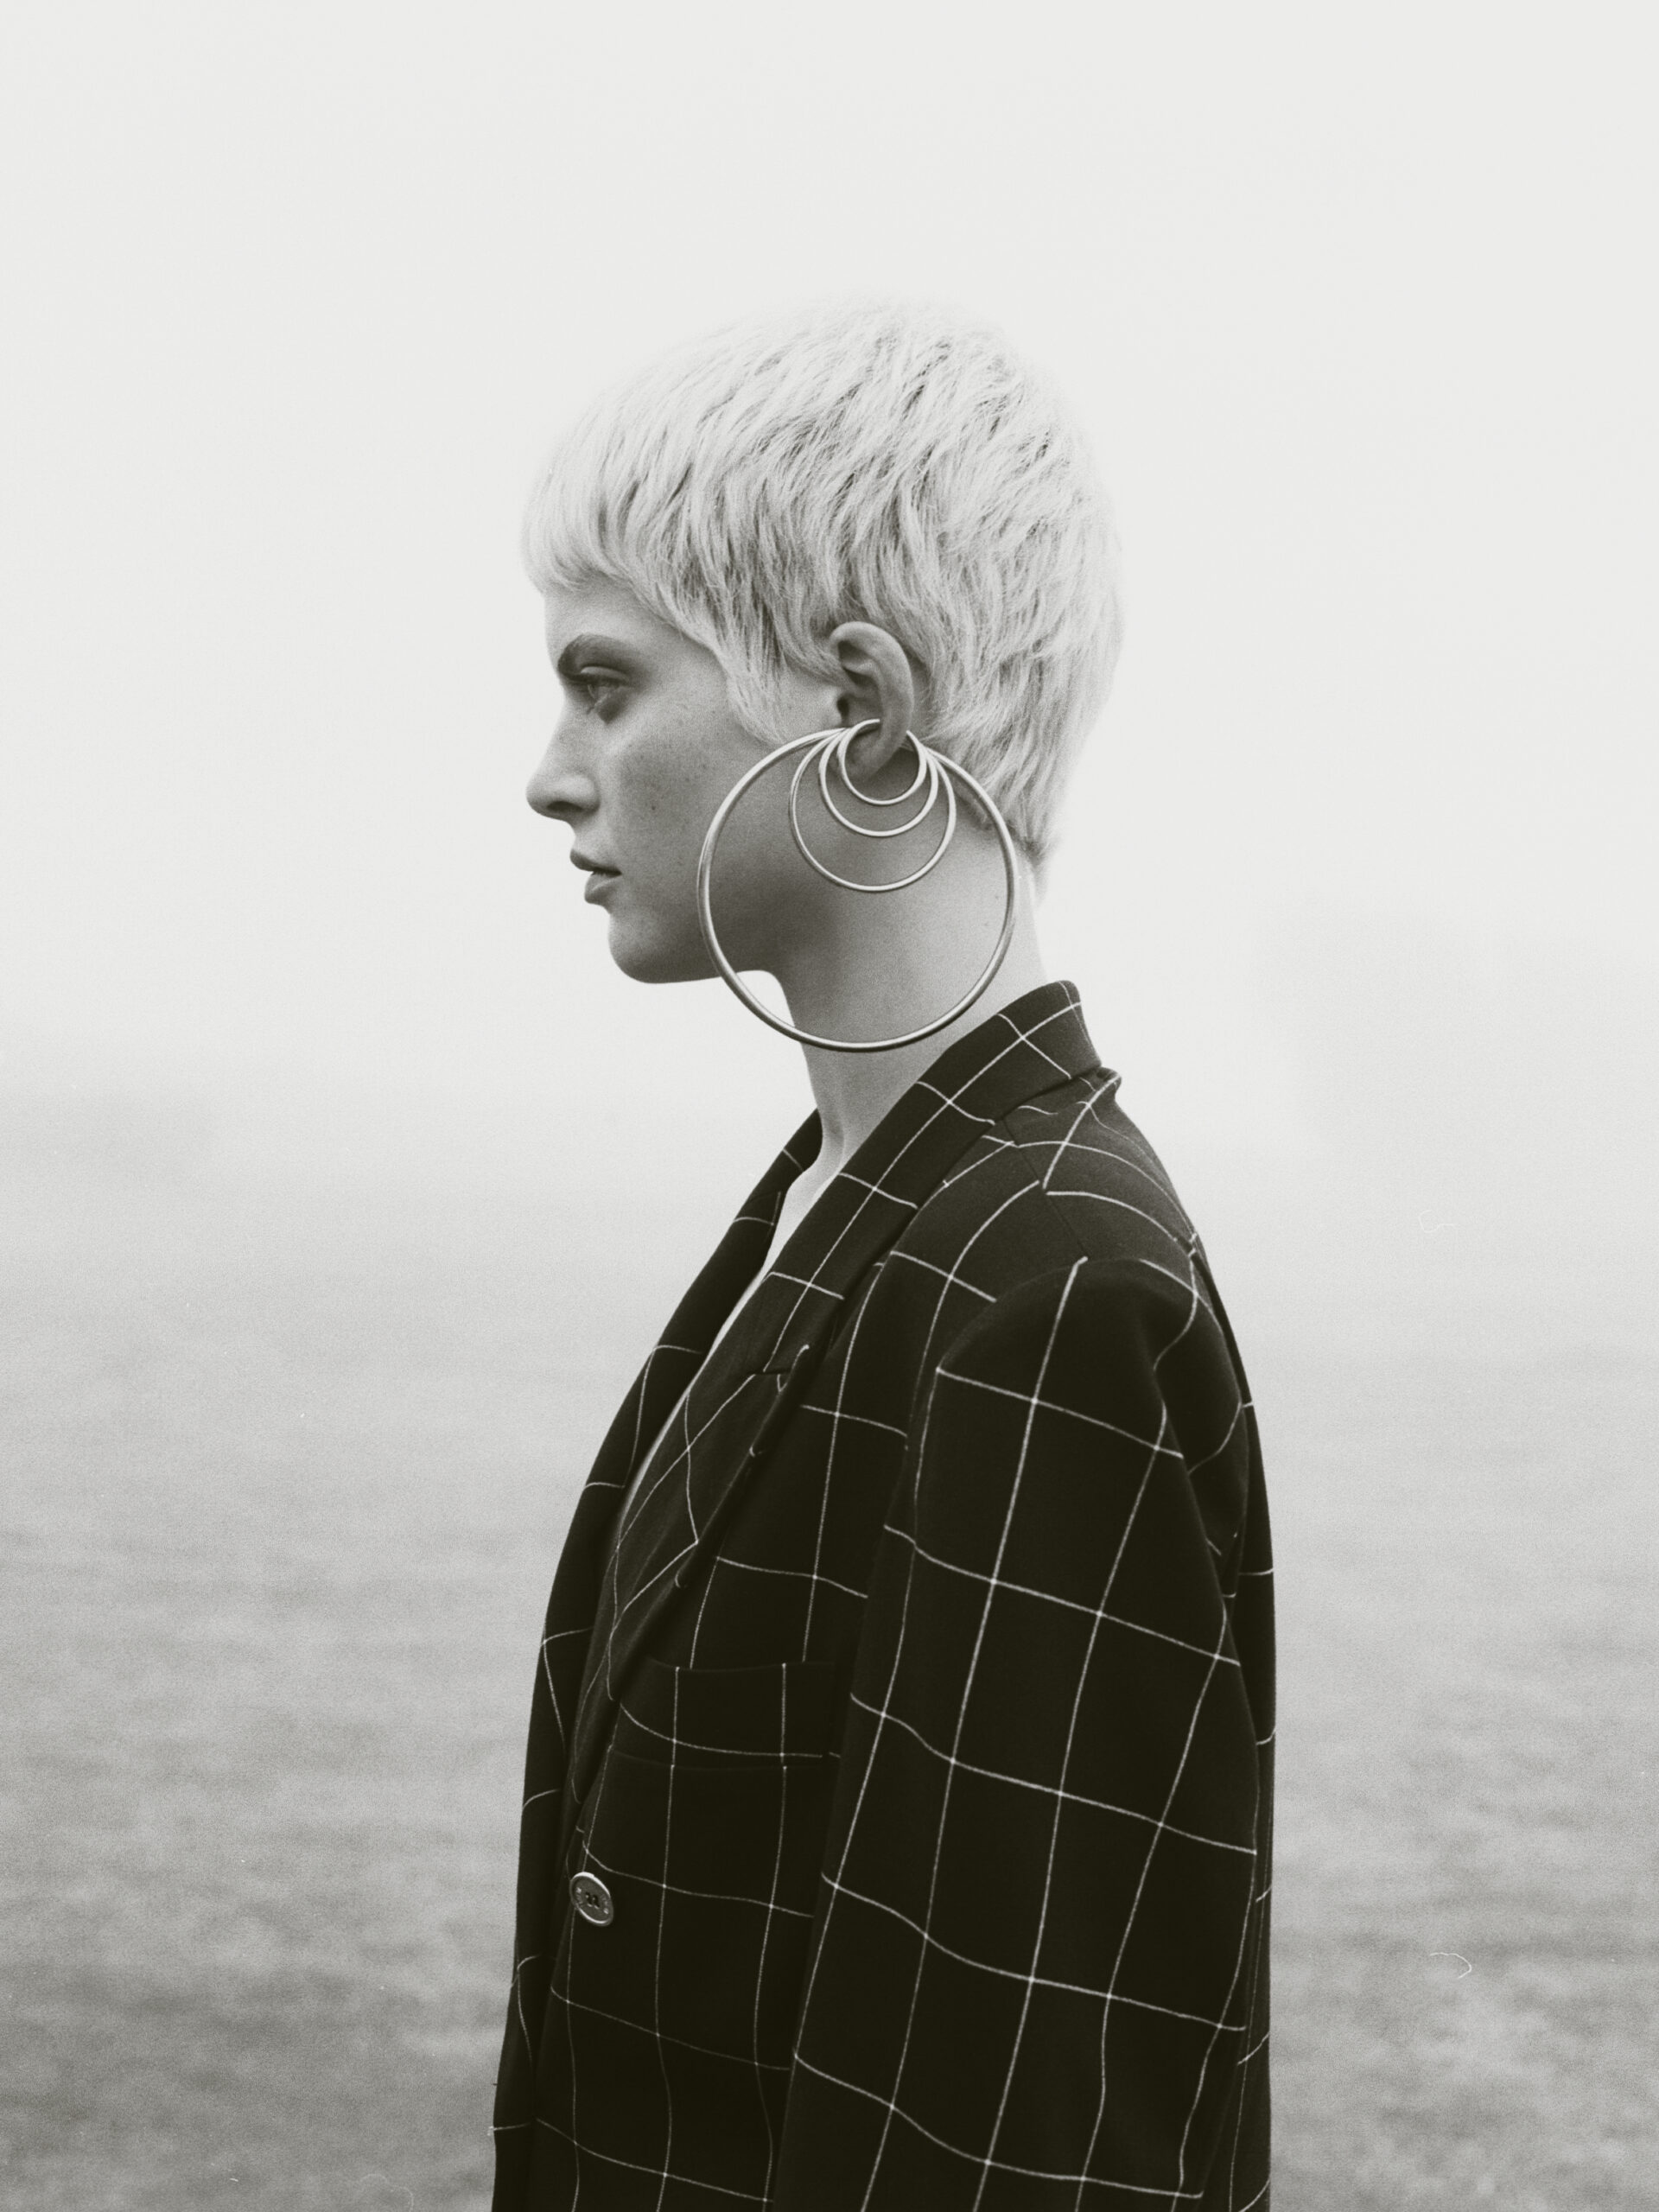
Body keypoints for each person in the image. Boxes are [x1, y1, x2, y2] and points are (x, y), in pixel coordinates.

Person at [493, 302, 1273, 2211]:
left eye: (606, 683)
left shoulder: (1052, 1288)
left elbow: (1013, 2150)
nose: (551, 772)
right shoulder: (847, 1197)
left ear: (860, 708)